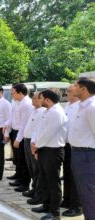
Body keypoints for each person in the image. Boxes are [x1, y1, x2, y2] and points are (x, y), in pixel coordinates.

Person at [31, 89, 67, 220]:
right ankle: (46, 205)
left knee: (53, 182)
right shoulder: (47, 111)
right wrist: (34, 143)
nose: (39, 101)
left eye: (41, 98)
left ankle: (55, 212)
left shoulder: (57, 112)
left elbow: (48, 133)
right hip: (43, 148)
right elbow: (38, 128)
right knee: (44, 179)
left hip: (53, 150)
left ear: (47, 100)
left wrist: (36, 146)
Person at [68, 77, 95, 220]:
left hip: (87, 155)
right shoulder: (82, 105)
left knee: (89, 192)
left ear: (84, 89)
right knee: (84, 192)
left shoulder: (91, 107)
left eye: (76, 85)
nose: (73, 88)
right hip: (78, 153)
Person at [7, 84, 33, 193]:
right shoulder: (17, 102)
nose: (12, 95)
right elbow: (12, 118)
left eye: (13, 92)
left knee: (23, 160)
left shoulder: (26, 104)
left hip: (21, 134)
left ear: (20, 93)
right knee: (18, 158)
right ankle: (19, 177)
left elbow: (24, 124)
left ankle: (24, 183)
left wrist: (18, 139)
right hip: (15, 131)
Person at [61, 85, 82, 217]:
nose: (66, 94)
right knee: (67, 174)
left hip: (77, 146)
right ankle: (67, 199)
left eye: (69, 92)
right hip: (66, 144)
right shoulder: (67, 105)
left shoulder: (81, 106)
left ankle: (77, 206)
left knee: (75, 178)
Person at [23, 92, 45, 205]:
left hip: (34, 143)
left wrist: (35, 144)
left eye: (35, 98)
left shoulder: (42, 112)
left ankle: (39, 194)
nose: (32, 100)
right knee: (31, 168)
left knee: (37, 169)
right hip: (27, 141)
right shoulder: (34, 110)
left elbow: (39, 130)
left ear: (41, 100)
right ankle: (34, 188)